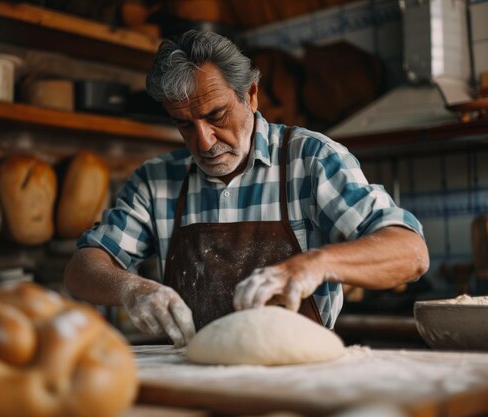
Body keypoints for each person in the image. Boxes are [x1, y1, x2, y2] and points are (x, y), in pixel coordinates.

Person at [64, 30, 429, 347]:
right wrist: (132, 289)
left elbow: (410, 252)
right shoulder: (155, 181)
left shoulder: (310, 159)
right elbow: (82, 268)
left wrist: (316, 264)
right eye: (184, 125)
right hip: (194, 375)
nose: (204, 142)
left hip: (295, 378)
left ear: (251, 95)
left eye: (216, 116)